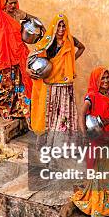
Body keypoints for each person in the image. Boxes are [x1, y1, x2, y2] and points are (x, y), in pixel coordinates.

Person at [72, 67, 109, 217]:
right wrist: (85, 134)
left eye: (107, 78)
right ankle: (98, 205)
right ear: (96, 80)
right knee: (99, 168)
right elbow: (82, 114)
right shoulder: (91, 96)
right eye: (103, 78)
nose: (106, 81)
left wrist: (108, 121)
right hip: (97, 136)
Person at [29, 14, 85, 148]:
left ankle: (62, 145)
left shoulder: (70, 41)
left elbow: (82, 47)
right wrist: (28, 69)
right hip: (51, 86)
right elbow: (32, 55)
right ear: (54, 26)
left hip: (65, 86)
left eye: (63, 25)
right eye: (59, 25)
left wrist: (71, 61)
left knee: (64, 116)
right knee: (50, 115)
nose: (61, 28)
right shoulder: (49, 41)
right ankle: (48, 144)